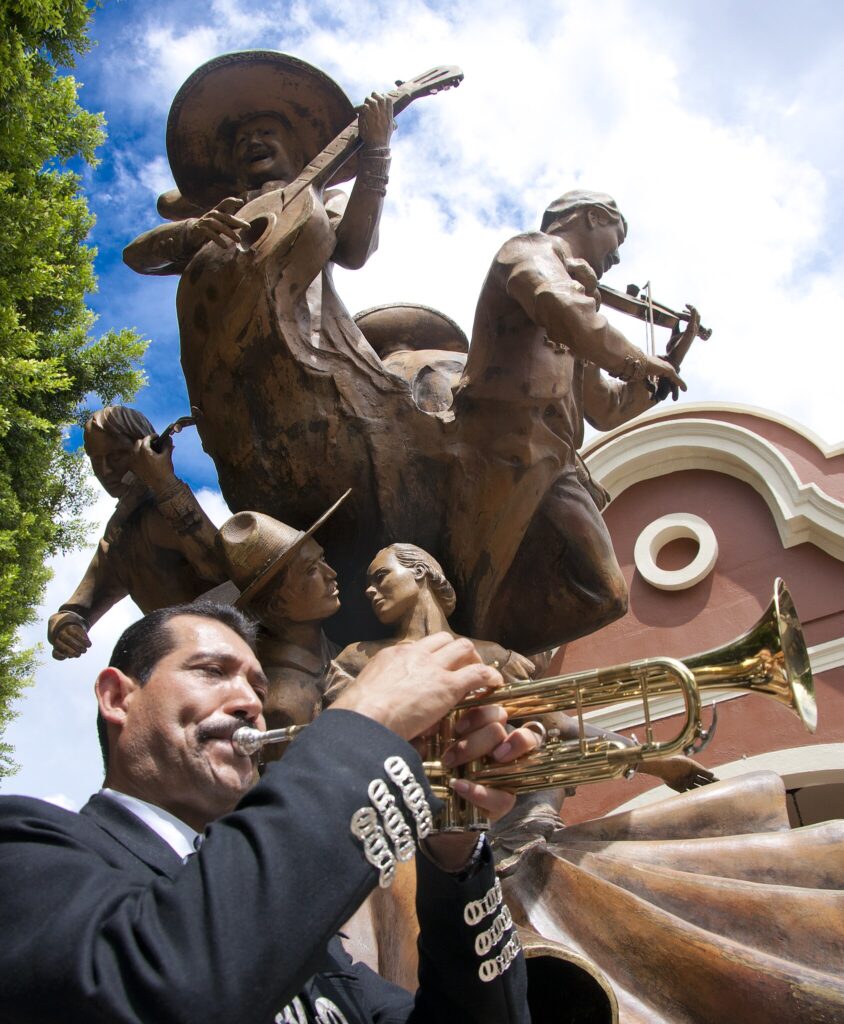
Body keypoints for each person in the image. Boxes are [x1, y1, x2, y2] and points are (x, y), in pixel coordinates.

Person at [0, 600, 538, 1023]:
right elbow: (160, 990)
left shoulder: (323, 953)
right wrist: (361, 726)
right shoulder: (23, 848)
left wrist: (453, 844)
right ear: (118, 697)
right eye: (212, 671)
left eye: (258, 686)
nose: (250, 703)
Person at [448, 190, 690, 651]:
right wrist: (638, 360)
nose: (615, 259)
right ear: (592, 216)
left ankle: (500, 657)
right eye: (614, 243)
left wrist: (664, 365)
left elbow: (603, 407)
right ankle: (478, 655)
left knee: (606, 594)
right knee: (474, 591)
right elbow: (560, 308)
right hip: (499, 445)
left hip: (554, 463)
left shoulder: (581, 300)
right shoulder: (528, 251)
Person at [327, 542, 713, 803]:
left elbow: (561, 726)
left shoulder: (494, 656)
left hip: (494, 806)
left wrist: (656, 761)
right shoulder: (359, 659)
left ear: (421, 572)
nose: (369, 591)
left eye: (381, 577)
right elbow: (337, 750)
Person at [48, 405, 225, 660]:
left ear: (145, 448)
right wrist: (65, 626)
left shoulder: (166, 507)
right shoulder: (118, 538)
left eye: (117, 455)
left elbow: (221, 570)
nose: (105, 471)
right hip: (181, 659)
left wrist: (164, 484)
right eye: (96, 460)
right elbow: (75, 609)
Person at [214, 494, 349, 739]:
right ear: (277, 605)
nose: (331, 574)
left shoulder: (334, 654)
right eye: (311, 570)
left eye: (323, 560)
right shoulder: (283, 704)